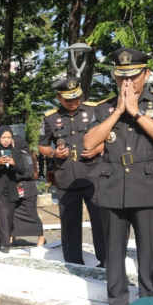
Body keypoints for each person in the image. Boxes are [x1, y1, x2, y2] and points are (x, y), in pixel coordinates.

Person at [84, 47, 153, 305]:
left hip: (148, 186)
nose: (126, 82)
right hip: (113, 184)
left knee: (149, 251)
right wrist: (117, 112)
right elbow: (89, 141)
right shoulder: (103, 108)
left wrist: (136, 113)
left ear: (146, 74)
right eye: (120, 77)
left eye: (133, 76)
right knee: (114, 251)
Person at [38, 77, 106, 267]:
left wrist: (99, 148)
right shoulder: (51, 118)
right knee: (69, 223)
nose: (74, 102)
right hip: (66, 177)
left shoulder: (94, 111)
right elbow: (41, 145)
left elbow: (110, 137)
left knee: (100, 220)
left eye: (77, 97)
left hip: (93, 175)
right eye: (68, 99)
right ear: (59, 98)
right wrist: (53, 153)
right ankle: (74, 262)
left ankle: (106, 260)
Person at [0, 126, 28, 253]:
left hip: (11, 189)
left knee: (8, 216)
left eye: (9, 137)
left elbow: (23, 170)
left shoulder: (16, 152)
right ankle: (6, 244)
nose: (6, 140)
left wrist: (14, 164)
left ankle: (0, 240)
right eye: (3, 137)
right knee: (3, 211)